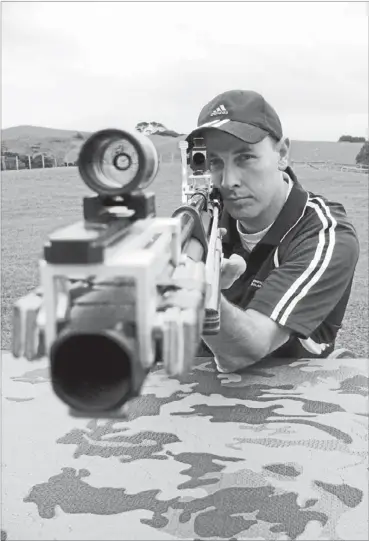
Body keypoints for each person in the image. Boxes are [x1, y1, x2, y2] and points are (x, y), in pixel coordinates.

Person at [186, 90, 360, 373]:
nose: (228, 181)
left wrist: (199, 294)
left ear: (282, 154)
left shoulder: (325, 232)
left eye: (245, 158)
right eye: (216, 162)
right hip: (204, 384)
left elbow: (246, 351)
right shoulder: (207, 218)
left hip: (291, 393)